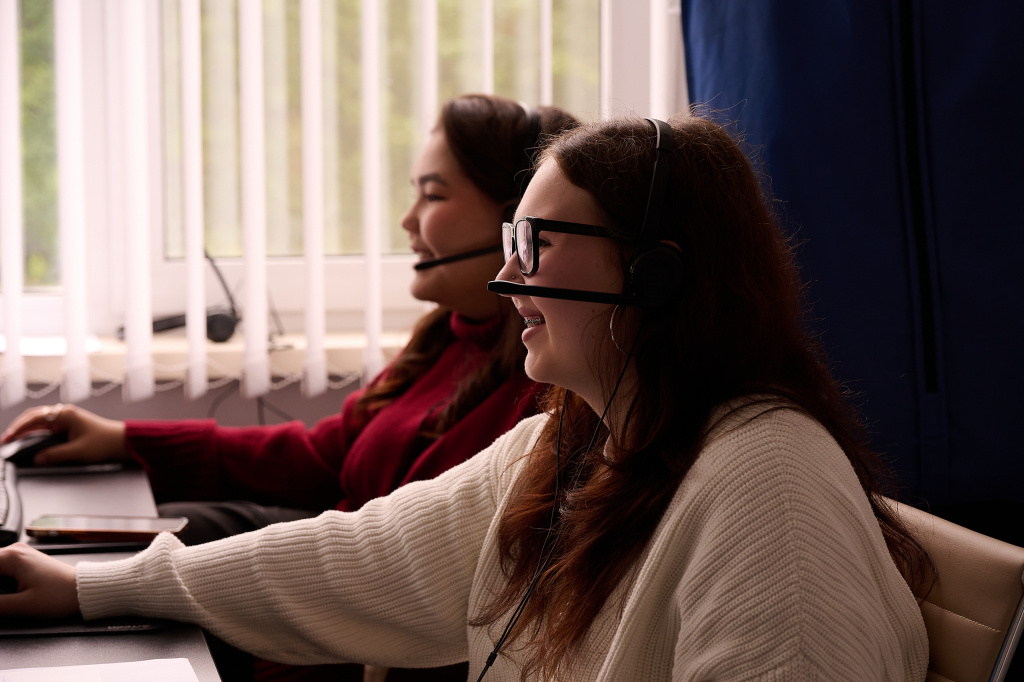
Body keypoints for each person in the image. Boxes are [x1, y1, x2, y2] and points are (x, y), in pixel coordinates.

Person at [0, 114, 930, 680]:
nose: (508, 281)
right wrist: (88, 588)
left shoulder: (768, 489)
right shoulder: (577, 443)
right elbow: (360, 555)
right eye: (510, 244)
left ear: (655, 275)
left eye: (538, 246)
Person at [0, 94, 578, 682]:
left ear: (516, 225)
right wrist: (126, 439)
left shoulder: (545, 390)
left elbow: (390, 575)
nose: (407, 221)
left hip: (357, 630)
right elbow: (324, 456)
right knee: (143, 534)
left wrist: (99, 590)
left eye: (432, 196)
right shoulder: (445, 339)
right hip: (335, 592)